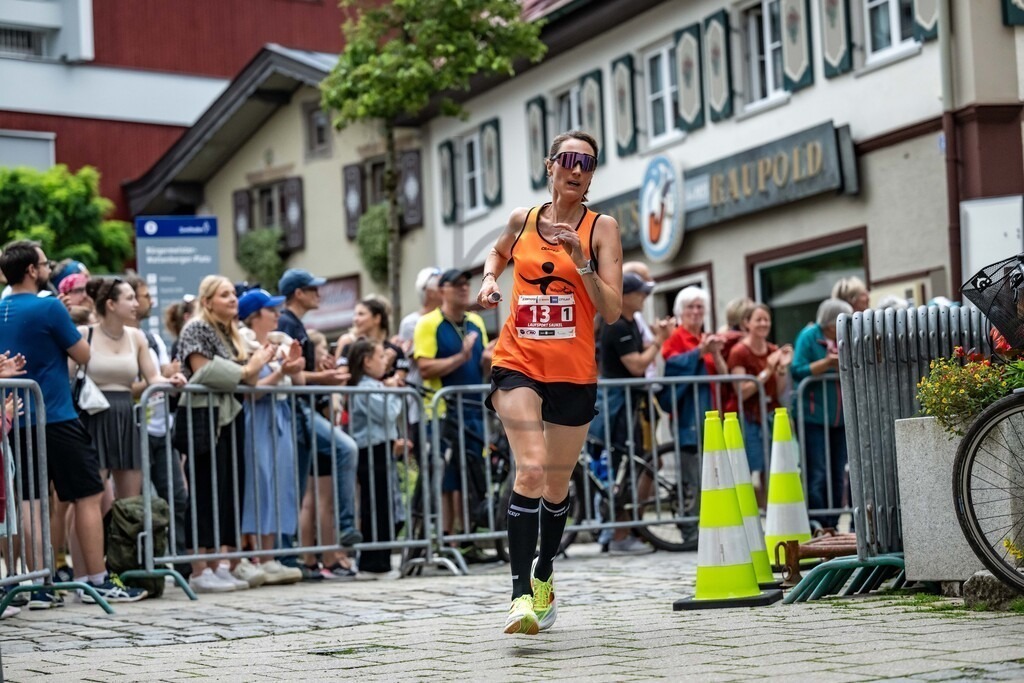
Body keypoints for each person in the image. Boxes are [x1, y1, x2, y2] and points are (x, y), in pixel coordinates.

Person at [476, 130, 623, 635]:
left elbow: (612, 309)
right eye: (568, 159)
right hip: (518, 360)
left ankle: (544, 573)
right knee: (532, 470)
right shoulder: (523, 221)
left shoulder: (602, 228)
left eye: (587, 162)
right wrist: (490, 279)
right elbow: (497, 253)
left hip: (573, 370)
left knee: (557, 485)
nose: (576, 169)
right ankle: (519, 597)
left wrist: (581, 261)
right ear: (550, 165)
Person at [0, 240, 145, 605]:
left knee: (28, 502)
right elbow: (84, 355)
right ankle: (95, 578)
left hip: (14, 415)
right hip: (55, 413)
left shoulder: (1, 306)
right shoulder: (48, 306)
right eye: (45, 264)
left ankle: (35, 584)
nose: (48, 269)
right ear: (32, 270)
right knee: (87, 494)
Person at [176, 275, 276, 593]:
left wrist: (272, 369)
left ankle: (221, 562)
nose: (233, 299)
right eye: (224, 295)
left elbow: (248, 382)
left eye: (233, 294)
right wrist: (249, 368)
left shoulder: (231, 332)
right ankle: (198, 567)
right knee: (205, 487)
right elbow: (204, 370)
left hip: (230, 414)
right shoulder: (196, 328)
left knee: (229, 487)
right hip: (206, 416)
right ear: (207, 302)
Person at [276, 268, 361, 572]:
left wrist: (320, 370)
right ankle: (343, 527)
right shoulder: (286, 322)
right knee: (343, 451)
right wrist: (323, 377)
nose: (318, 293)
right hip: (297, 410)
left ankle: (289, 555)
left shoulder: (294, 322)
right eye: (313, 288)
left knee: (298, 485)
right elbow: (294, 376)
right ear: (298, 293)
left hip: (302, 410)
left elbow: (302, 373)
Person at [78, 277, 185, 501]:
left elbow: (153, 377)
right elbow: (67, 375)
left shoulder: (137, 337)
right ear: (111, 304)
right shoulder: (84, 334)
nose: (136, 304)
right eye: (130, 298)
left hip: (127, 416)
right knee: (90, 500)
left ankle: (126, 538)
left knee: (131, 501)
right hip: (93, 416)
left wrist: (172, 380)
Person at [414, 268, 494, 564]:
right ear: (443, 289)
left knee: (470, 476)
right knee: (448, 479)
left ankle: (468, 538)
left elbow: (483, 365)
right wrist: (460, 357)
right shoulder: (428, 323)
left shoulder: (475, 322)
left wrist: (489, 358)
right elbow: (424, 368)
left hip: (473, 411)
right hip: (442, 412)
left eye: (466, 284)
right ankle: (448, 537)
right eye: (457, 285)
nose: (464, 289)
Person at [596, 273, 673, 554]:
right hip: (620, 408)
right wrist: (660, 341)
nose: (645, 297)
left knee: (634, 465)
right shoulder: (617, 324)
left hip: (630, 405)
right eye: (640, 293)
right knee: (624, 468)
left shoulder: (627, 322)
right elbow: (637, 366)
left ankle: (629, 529)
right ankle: (619, 535)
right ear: (625, 296)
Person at [236, 289, 304, 585]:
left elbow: (297, 382)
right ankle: (253, 555)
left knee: (279, 483)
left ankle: (270, 554)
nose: (277, 315)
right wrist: (281, 373)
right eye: (270, 310)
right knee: (258, 483)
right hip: (258, 417)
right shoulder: (244, 344)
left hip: (279, 415)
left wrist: (294, 366)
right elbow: (253, 389)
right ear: (254, 315)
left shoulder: (279, 343)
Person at [659, 286, 728, 547]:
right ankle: (690, 529)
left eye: (700, 307)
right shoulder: (676, 338)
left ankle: (708, 526)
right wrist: (699, 352)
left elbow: (722, 373)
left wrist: (716, 352)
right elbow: (672, 364)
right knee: (692, 476)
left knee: (710, 474)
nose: (696, 312)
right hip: (688, 416)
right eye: (691, 307)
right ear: (680, 312)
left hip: (711, 412)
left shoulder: (707, 337)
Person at [347, 338, 411, 578]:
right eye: (380, 357)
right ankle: (373, 561)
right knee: (375, 505)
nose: (385, 362)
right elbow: (388, 412)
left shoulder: (374, 385)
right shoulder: (365, 387)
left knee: (383, 504)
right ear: (366, 361)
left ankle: (381, 559)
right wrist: (392, 391)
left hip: (381, 446)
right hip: (370, 449)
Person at [791, 298, 853, 530]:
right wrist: (826, 364)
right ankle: (817, 522)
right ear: (829, 322)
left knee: (838, 473)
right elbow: (797, 370)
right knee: (817, 472)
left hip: (840, 418)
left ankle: (833, 522)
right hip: (813, 417)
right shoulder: (808, 336)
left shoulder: (847, 336)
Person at [726, 303, 793, 507]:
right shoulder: (739, 352)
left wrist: (781, 369)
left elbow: (779, 390)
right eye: (759, 319)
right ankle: (749, 513)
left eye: (767, 319)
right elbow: (742, 391)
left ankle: (771, 513)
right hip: (748, 416)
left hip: (770, 415)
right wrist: (767, 370)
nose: (764, 323)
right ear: (747, 323)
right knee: (748, 468)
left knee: (772, 468)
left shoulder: (773, 350)